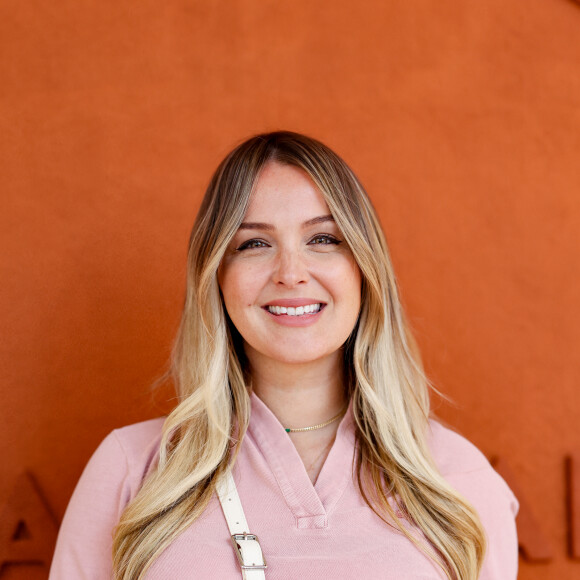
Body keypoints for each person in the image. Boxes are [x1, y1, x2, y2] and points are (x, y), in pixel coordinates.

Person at [49, 131, 518, 579]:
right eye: (254, 243)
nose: (291, 273)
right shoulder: (130, 469)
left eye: (323, 239)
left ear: (364, 269)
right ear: (216, 276)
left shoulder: (456, 480)